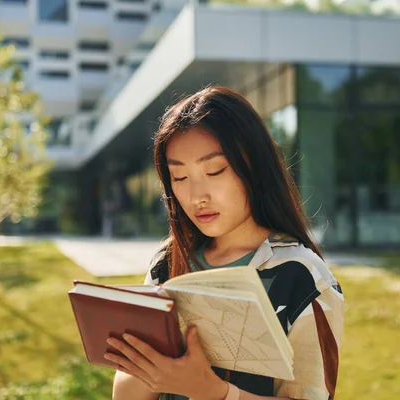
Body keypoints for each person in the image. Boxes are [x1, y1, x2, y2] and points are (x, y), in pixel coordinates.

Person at [105, 86, 345, 400]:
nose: (197, 196)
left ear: (254, 168)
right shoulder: (168, 262)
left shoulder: (301, 276)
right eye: (179, 178)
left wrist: (211, 391)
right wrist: (140, 362)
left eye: (214, 170)